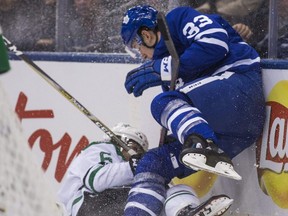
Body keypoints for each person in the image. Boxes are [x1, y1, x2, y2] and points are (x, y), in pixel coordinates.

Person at [121, 3, 265, 188]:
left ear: (146, 35)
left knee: (162, 103)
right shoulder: (164, 64)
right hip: (233, 132)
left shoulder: (177, 20)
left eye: (135, 46)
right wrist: (176, 137)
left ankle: (202, 143)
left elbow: (215, 42)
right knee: (154, 163)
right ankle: (178, 208)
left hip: (239, 90)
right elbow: (189, 105)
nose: (140, 55)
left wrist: (166, 68)